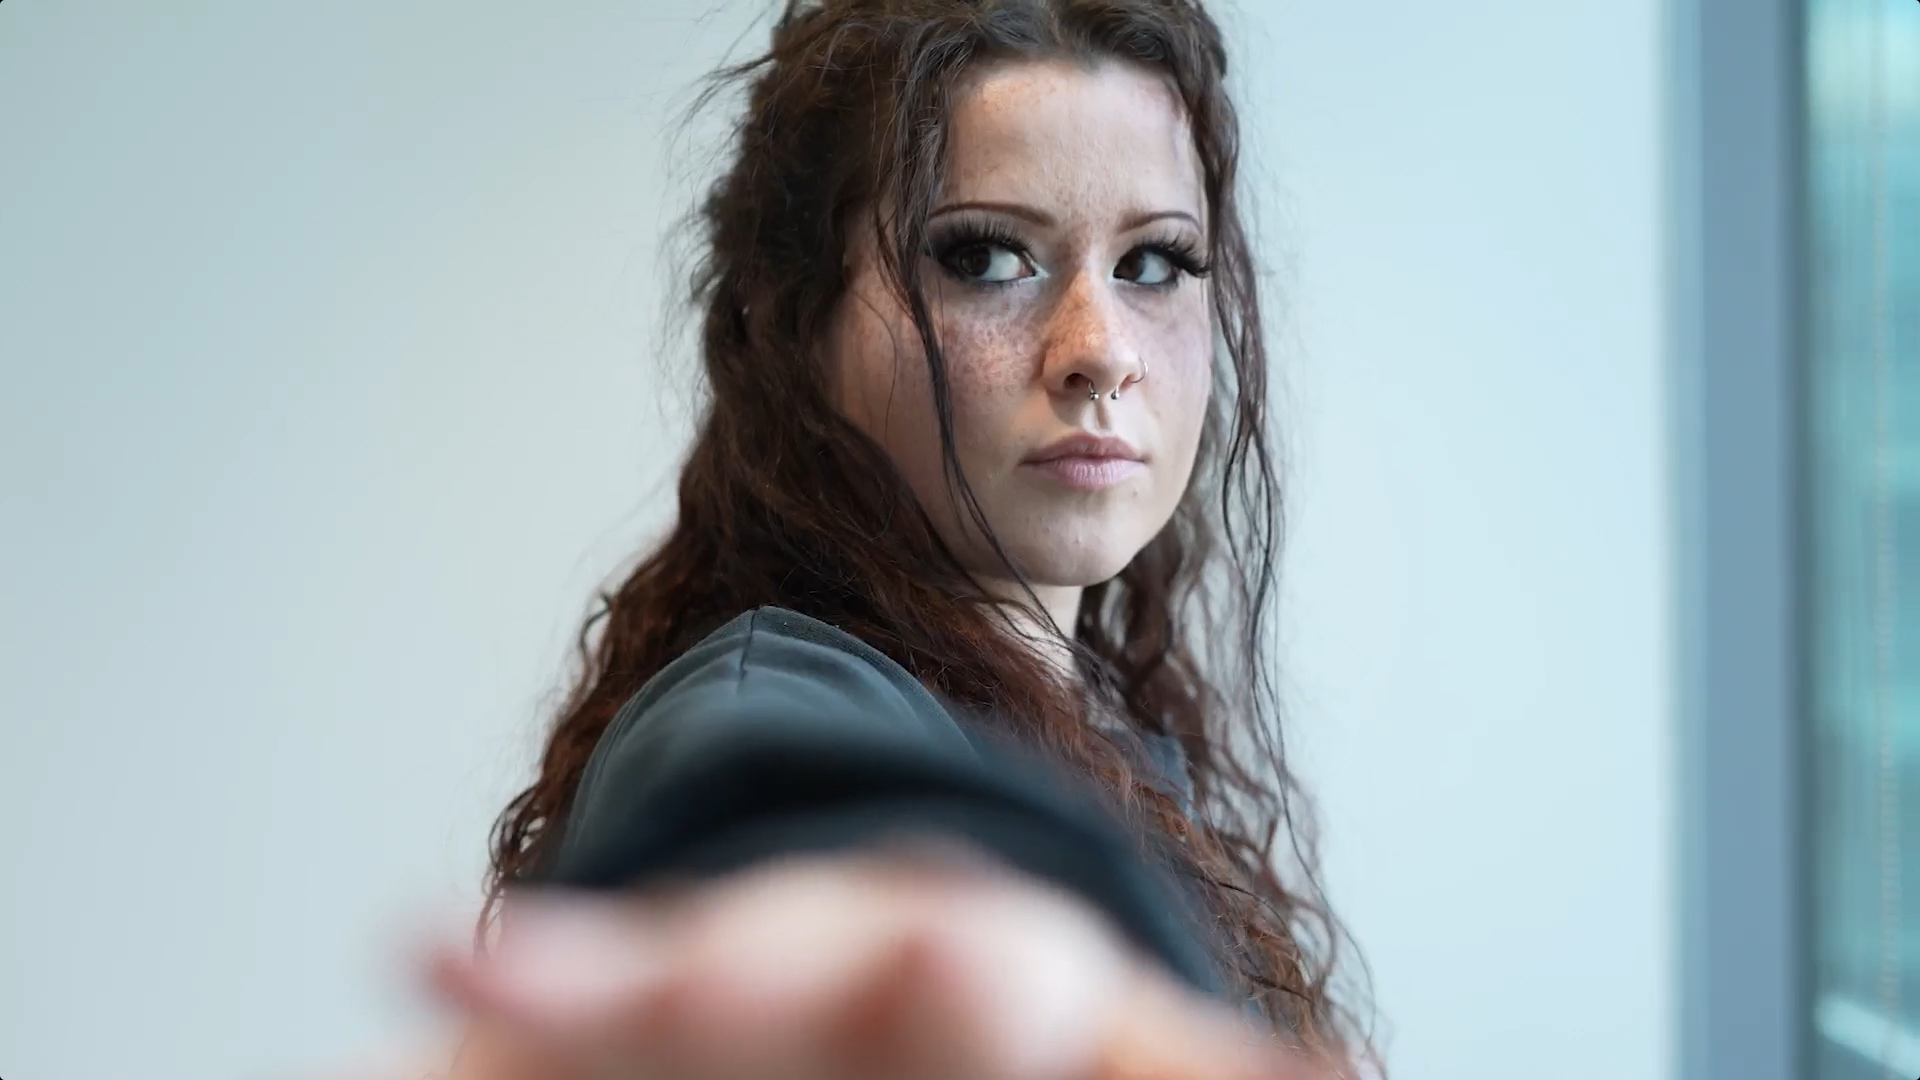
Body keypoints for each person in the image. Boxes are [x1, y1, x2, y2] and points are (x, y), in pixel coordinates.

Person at [411, 1, 1373, 1076]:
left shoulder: (1093, 740)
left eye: (1152, 265)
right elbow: (768, 807)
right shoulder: (764, 697)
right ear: (799, 323)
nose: (1100, 351)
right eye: (987, 257)